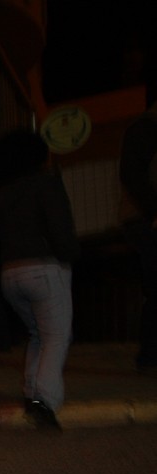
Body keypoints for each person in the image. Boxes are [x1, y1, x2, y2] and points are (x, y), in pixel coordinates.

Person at [0, 129, 79, 431]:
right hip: (45, 268)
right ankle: (44, 401)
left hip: (11, 272)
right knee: (56, 336)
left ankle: (31, 392)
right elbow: (60, 228)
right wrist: (70, 255)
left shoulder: (2, 193)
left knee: (38, 334)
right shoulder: (46, 184)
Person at [119, 102, 157, 375]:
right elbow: (132, 175)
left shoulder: (144, 126)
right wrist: (153, 210)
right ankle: (150, 354)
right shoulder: (146, 127)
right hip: (146, 218)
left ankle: (149, 354)